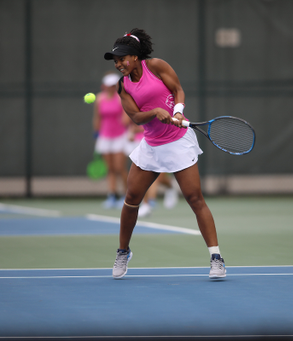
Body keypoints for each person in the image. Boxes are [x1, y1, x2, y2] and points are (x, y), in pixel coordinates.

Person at [104, 28, 226, 279]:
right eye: (115, 61)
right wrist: (154, 112)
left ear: (135, 57)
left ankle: (216, 258)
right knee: (131, 199)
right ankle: (123, 251)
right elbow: (136, 117)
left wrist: (178, 112)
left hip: (178, 141)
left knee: (194, 198)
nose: (118, 64)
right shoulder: (123, 86)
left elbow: (178, 89)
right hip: (151, 145)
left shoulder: (157, 66)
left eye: (122, 59)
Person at [93, 72, 130, 209]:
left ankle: (126, 196)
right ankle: (112, 195)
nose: (111, 88)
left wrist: (124, 121)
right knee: (110, 169)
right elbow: (97, 117)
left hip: (120, 137)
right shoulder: (99, 99)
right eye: (109, 86)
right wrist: (96, 131)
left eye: (113, 86)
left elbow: (126, 117)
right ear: (104, 86)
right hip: (104, 137)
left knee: (120, 168)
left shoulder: (122, 98)